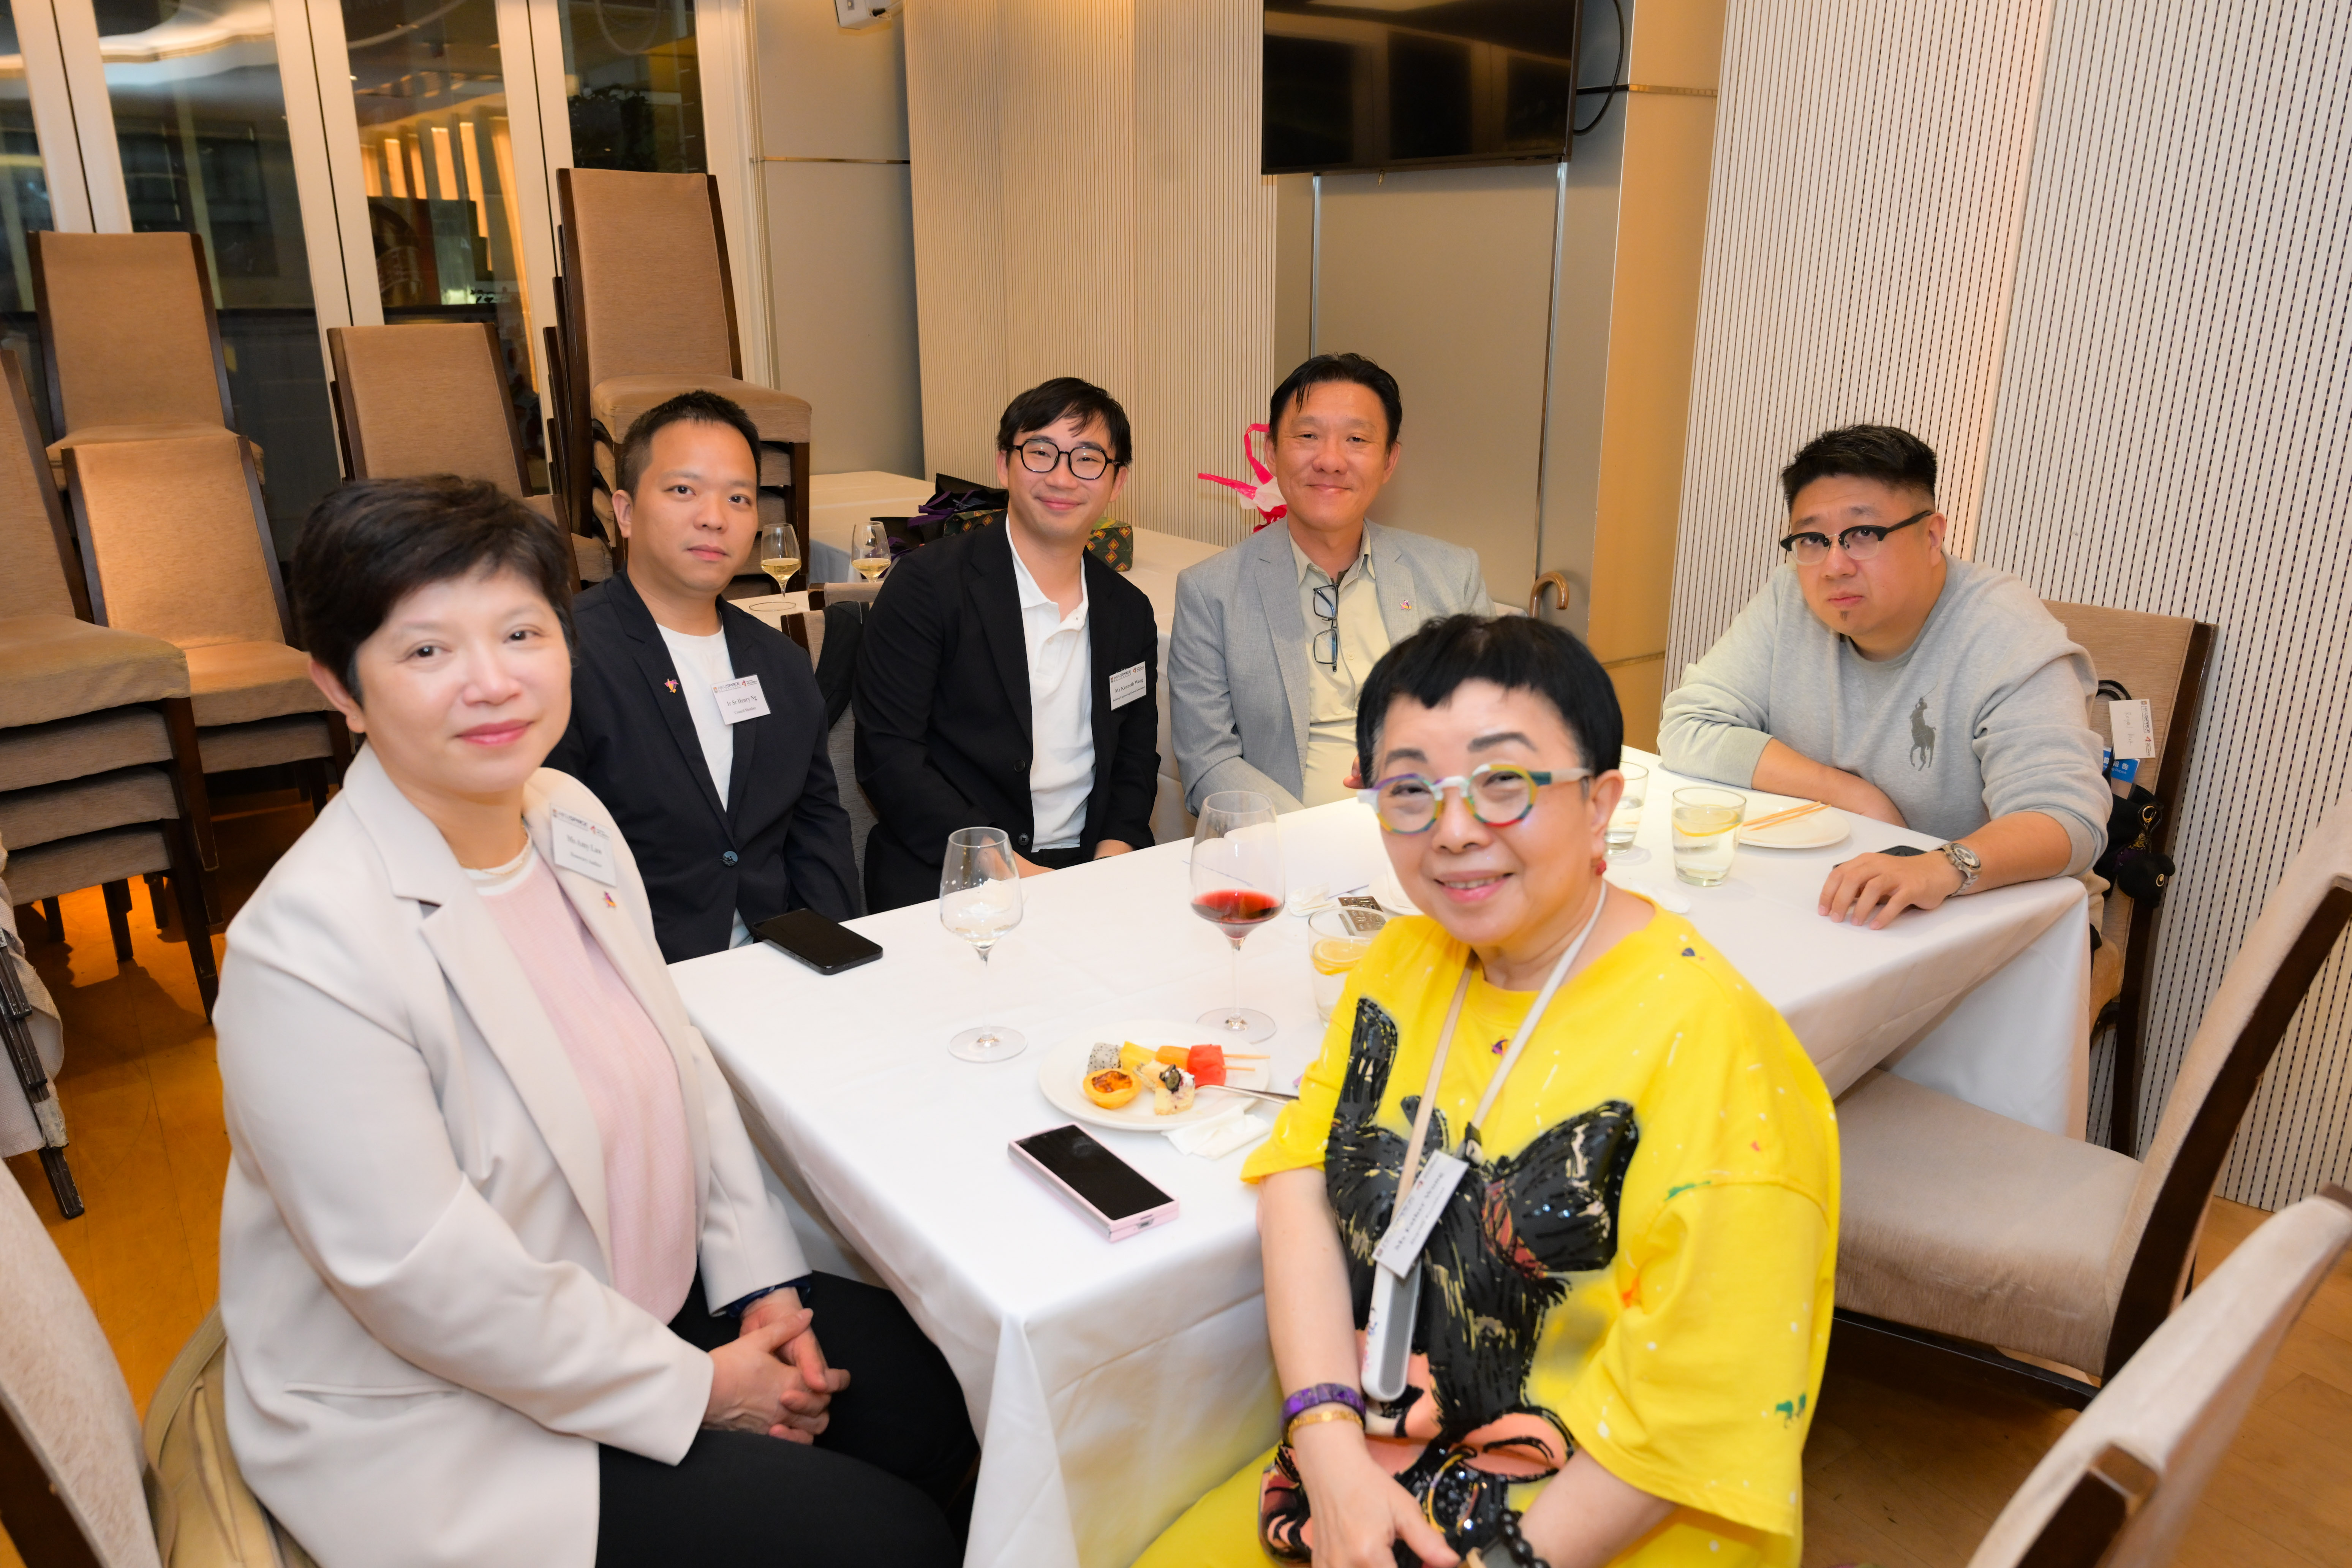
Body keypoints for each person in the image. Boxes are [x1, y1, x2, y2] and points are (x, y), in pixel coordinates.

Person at [213, 477, 977, 1568]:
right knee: (887, 1538)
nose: (491, 682)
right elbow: (431, 1285)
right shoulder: (308, 945)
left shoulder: (565, 812)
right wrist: (704, 1388)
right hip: (454, 1405)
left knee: (947, 1398)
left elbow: (681, 1063)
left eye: (521, 633)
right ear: (340, 685)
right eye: (426, 650)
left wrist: (762, 1284)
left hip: (645, 1293)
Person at [1140, 614, 1837, 1568]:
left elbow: (1696, 1405)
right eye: (1410, 790)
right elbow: (1299, 1174)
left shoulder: (1717, 1046)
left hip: (1605, 1507)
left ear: (1599, 803)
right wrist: (1330, 1449)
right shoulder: (1404, 958)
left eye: (1504, 782)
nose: (1457, 829)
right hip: (1373, 1452)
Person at [1659, 424, 2107, 929]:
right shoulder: (1792, 598)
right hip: (1834, 894)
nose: (1834, 566)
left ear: (1932, 536)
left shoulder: (2005, 633)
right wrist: (1855, 795)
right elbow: (1689, 726)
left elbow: (2067, 820)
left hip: (1995, 923)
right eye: (1812, 539)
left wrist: (1942, 865)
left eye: (1864, 535)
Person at [547, 390, 859, 961]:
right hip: (636, 971)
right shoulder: (564, 656)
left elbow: (817, 830)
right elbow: (547, 854)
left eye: (739, 498)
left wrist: (839, 963)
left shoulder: (781, 663)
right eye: (683, 490)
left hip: (777, 965)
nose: (715, 518)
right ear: (624, 512)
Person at [852, 377, 1160, 912]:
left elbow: (1134, 763)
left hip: (1089, 873)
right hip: (950, 873)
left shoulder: (1128, 611)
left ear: (1117, 482)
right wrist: (1015, 874)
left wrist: (1110, 866)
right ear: (1004, 465)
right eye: (1041, 452)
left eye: (1088, 459)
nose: (1062, 477)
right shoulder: (927, 587)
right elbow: (889, 758)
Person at [1169, 352, 1490, 814]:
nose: (1330, 461)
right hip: (1283, 842)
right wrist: (1305, 839)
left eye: (1357, 439)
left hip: (1427, 830)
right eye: (1308, 436)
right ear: (1272, 451)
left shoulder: (1454, 576)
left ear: (1389, 460)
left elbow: (1490, 726)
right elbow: (1207, 762)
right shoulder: (1210, 592)